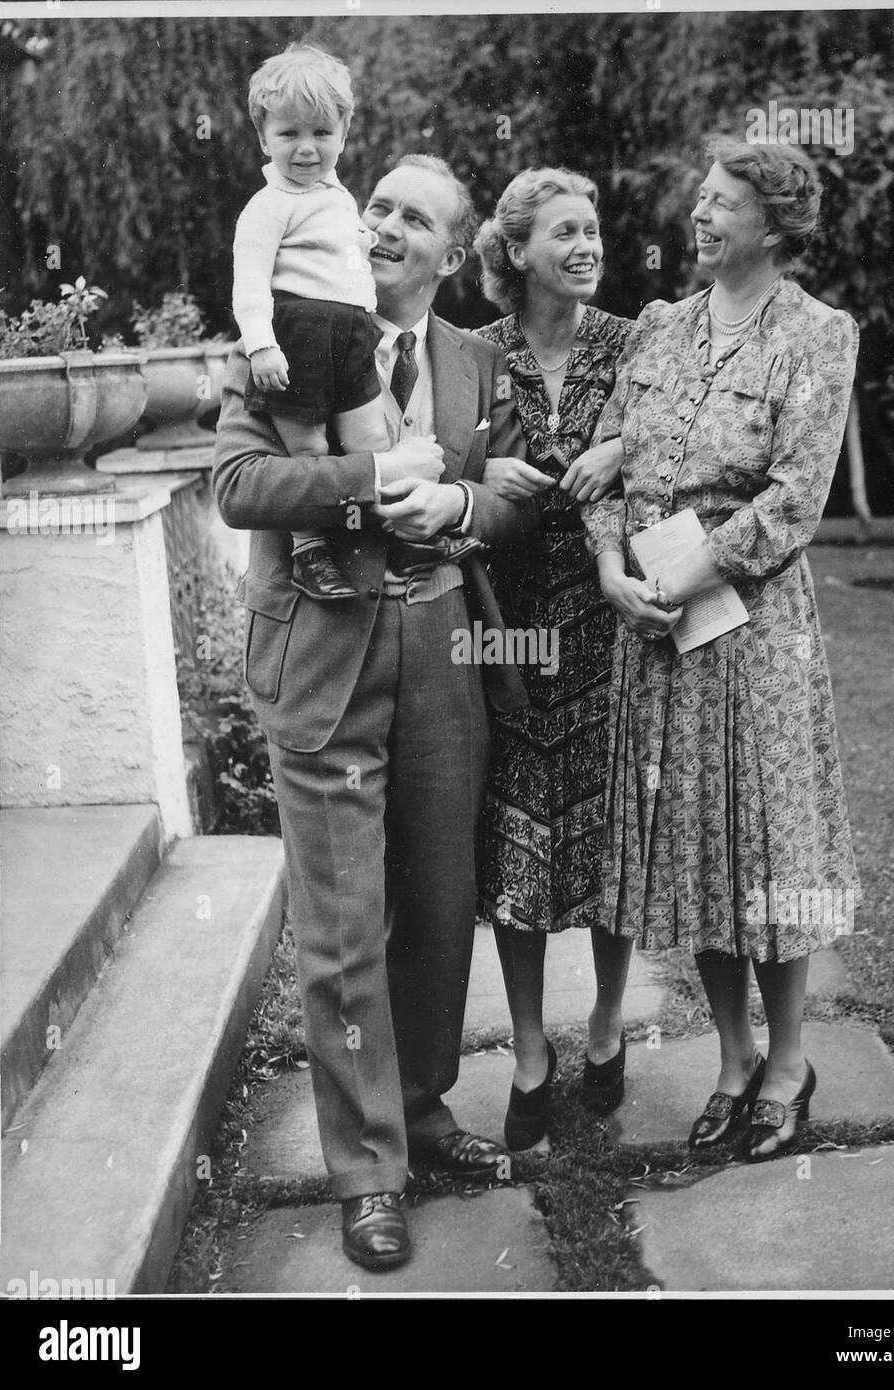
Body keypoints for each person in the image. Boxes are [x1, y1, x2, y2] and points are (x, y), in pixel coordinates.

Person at [214, 153, 535, 1270]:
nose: (388, 227)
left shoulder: (475, 357)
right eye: (379, 208)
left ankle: (423, 1107)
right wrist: (367, 475)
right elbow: (238, 485)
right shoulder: (285, 333)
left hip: (444, 641)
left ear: (453, 255)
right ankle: (366, 1171)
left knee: (442, 903)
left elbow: (513, 492)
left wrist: (456, 495)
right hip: (323, 650)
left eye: (417, 219)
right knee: (345, 922)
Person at [583, 136, 860, 1163]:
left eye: (724, 203)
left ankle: (789, 1063)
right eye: (700, 199)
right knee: (696, 848)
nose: (699, 217)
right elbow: (607, 467)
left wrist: (693, 571)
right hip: (656, 634)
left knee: (769, 855)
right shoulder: (659, 328)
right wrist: (613, 571)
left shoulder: (817, 335)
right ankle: (734, 1058)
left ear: (775, 226)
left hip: (753, 634)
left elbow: (797, 496)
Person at [471, 168, 635, 1150]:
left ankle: (610, 1023)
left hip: (611, 625)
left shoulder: (632, 342)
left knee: (609, 842)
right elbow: (440, 459)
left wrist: (617, 451)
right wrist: (480, 469)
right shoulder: (476, 354)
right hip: (512, 629)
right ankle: (531, 1049)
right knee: (517, 851)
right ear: (518, 250)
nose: (586, 245)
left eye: (594, 230)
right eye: (565, 232)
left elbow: (680, 433)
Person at [233, 44, 476, 603]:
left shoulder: (336, 197)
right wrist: (262, 346)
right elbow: (249, 282)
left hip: (348, 335)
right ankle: (308, 551)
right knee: (311, 450)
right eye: (289, 134)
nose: (306, 148)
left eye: (321, 133)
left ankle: (409, 537)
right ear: (263, 138)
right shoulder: (267, 206)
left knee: (374, 441)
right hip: (294, 341)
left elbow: (340, 247)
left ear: (343, 134)